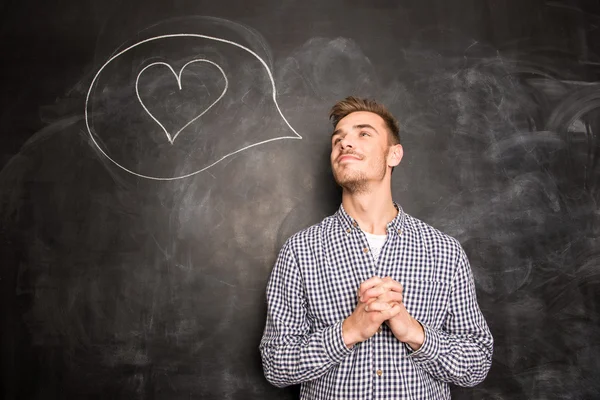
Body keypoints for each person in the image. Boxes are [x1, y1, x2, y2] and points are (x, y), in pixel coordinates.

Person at [259, 97, 493, 399]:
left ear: (394, 154)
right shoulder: (300, 250)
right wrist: (350, 330)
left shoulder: (444, 251)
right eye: (338, 139)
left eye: (363, 134)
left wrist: (413, 332)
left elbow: (477, 363)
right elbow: (276, 365)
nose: (345, 144)